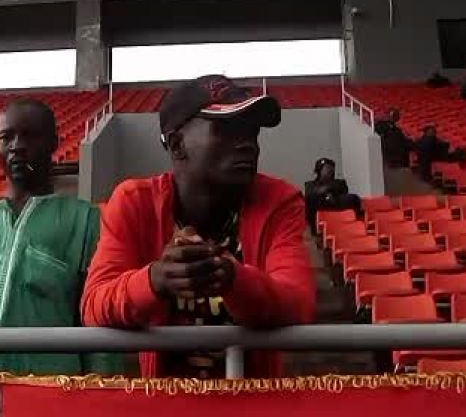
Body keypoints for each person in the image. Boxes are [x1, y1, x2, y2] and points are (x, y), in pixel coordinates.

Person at [81, 75, 316, 379]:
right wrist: (154, 280)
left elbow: (298, 303)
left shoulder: (278, 200)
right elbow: (94, 305)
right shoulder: (134, 201)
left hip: (255, 404)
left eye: (252, 132)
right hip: (166, 407)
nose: (247, 144)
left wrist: (233, 279)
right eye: (226, 130)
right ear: (177, 144)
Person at [0, 99, 123, 376]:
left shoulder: (86, 220)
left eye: (30, 135)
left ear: (53, 142)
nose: (17, 146)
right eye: (6, 137)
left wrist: (102, 389)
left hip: (51, 389)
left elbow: (99, 318)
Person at [304, 157, 362, 226]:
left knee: (352, 198)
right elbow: (309, 195)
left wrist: (327, 191)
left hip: (337, 208)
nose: (329, 170)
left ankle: (353, 224)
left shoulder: (339, 183)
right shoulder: (310, 185)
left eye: (330, 168)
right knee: (311, 199)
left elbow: (343, 190)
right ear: (319, 171)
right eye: (326, 168)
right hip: (319, 214)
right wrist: (325, 193)